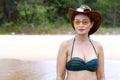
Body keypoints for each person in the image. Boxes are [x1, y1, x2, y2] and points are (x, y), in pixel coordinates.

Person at [56, 5, 105, 80]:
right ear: (73, 23)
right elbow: (60, 76)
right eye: (77, 22)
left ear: (91, 24)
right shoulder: (65, 45)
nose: (80, 25)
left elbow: (101, 77)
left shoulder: (98, 46)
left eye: (85, 22)